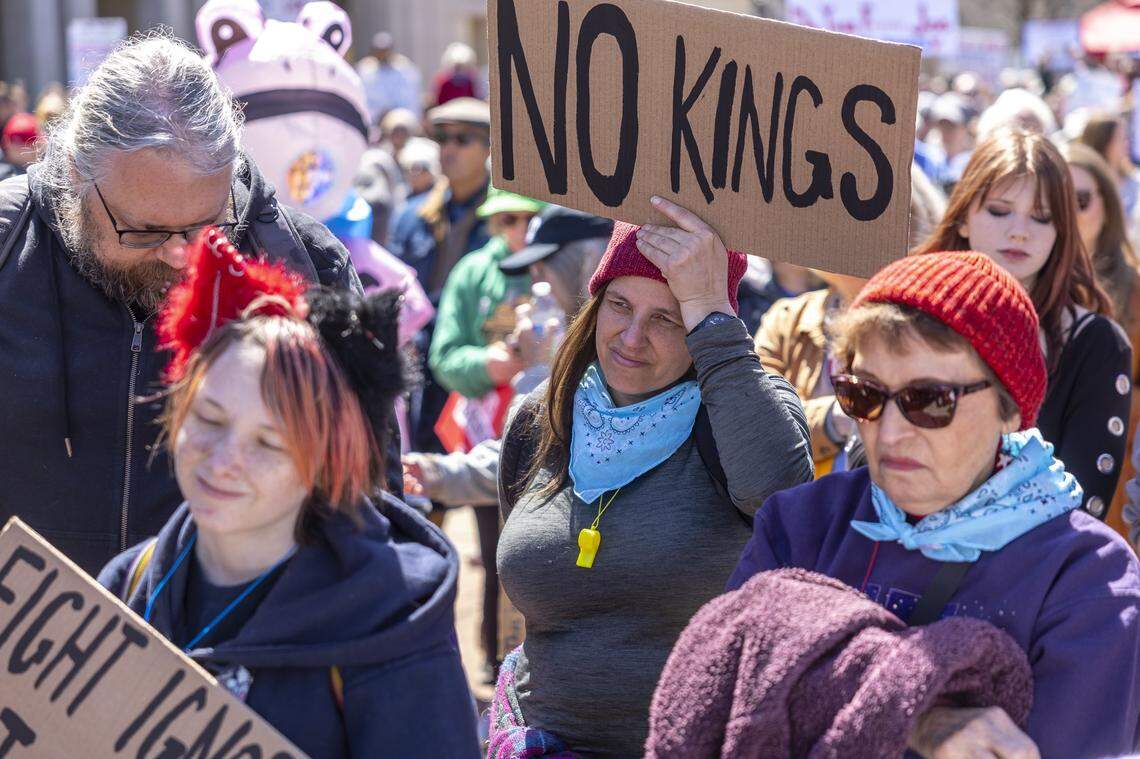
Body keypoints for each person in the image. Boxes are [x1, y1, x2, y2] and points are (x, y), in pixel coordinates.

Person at [727, 252, 1140, 757]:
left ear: (1010, 409)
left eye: (930, 400)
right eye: (864, 395)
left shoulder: (1087, 575)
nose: (892, 432)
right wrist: (911, 716)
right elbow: (724, 687)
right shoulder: (799, 524)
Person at [98, 229, 480, 758]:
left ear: (325, 462)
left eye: (269, 443)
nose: (225, 459)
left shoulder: (389, 630)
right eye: (209, 417)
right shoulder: (127, 584)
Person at [0, 34, 362, 576]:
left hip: (231, 647)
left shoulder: (304, 267)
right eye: (143, 230)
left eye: (206, 226)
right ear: (76, 171)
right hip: (29, 648)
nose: (178, 255)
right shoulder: (8, 248)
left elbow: (360, 493)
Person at [490, 197, 813, 757]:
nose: (632, 337)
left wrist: (711, 306)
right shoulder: (543, 418)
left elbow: (778, 491)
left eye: (666, 317)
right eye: (619, 305)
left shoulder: (742, 411)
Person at [913, 128, 1130, 521]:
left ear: (1060, 232)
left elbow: (1078, 510)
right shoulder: (911, 318)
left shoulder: (1096, 343)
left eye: (1042, 217)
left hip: (1028, 573)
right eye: (999, 210)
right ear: (963, 217)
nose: (1019, 230)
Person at [755, 164, 946, 475]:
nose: (836, 225)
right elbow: (757, 426)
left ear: (909, 228)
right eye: (827, 208)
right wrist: (834, 418)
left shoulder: (935, 328)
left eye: (862, 209)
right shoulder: (787, 319)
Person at [426, 187, 545, 682]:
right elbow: (444, 355)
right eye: (505, 220)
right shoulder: (474, 272)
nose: (516, 230)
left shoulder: (561, 264)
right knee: (497, 553)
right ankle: (496, 674)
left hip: (551, 437)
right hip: (486, 443)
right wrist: (486, 364)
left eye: (525, 219)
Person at [388, 96, 492, 457]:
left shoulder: (507, 218)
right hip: (421, 361)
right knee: (422, 477)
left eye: (462, 140)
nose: (448, 149)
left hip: (477, 363)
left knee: (487, 492)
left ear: (489, 148)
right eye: (442, 138)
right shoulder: (412, 214)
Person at [1063, 141, 1140, 542]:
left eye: (1080, 198)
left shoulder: (1135, 291)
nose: (1068, 211)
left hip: (1119, 496)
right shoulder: (1026, 288)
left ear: (1106, 206)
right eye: (1056, 198)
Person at [1077, 111, 1140, 222]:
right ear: (1104, 142)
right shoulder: (1084, 185)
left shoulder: (1134, 180)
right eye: (1120, 138)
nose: (1127, 143)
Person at [355, 31, 423, 124]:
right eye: (378, 51)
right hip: (373, 123)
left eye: (385, 50)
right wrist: (378, 114)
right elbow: (362, 100)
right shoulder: (364, 71)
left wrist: (394, 115)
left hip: (401, 124)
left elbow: (412, 101)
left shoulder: (405, 70)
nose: (382, 54)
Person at [430, 42, 483, 108]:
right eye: (457, 67)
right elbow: (438, 100)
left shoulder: (471, 80)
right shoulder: (443, 81)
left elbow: (476, 97)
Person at [0, 111, 38, 180]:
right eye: (15, 140)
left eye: (28, 139)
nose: (21, 147)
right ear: (5, 143)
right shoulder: (2, 174)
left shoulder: (45, 173)